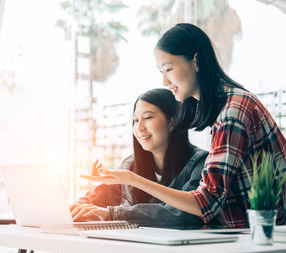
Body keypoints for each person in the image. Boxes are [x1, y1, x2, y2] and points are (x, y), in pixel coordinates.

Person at [81, 23, 286, 228]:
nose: (164, 81)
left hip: (266, 246)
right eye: (161, 71)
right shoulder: (226, 109)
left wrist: (132, 179)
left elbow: (206, 202)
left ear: (195, 61)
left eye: (168, 69)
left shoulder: (233, 113)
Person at [71, 88, 208, 227]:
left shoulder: (200, 163)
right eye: (135, 120)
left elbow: (183, 214)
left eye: (148, 118)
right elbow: (96, 197)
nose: (139, 127)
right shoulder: (130, 165)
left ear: (172, 122)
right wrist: (78, 208)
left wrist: (113, 213)